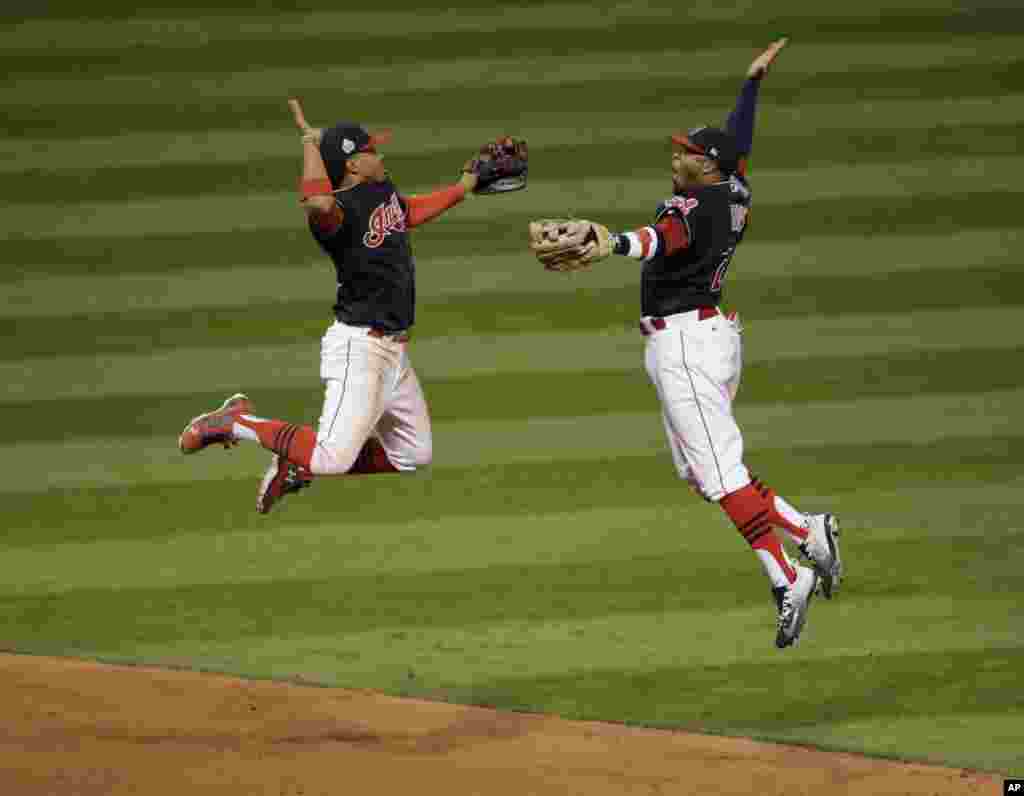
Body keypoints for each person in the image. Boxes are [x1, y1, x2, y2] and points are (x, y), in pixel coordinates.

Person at [529, 40, 842, 649]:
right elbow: (738, 140)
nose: (678, 156)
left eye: (689, 153)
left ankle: (786, 578)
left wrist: (607, 243)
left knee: (720, 475)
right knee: (707, 474)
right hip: (706, 337)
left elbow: (655, 238)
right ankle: (809, 530)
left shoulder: (696, 207)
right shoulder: (734, 190)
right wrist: (751, 84)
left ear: (708, 167)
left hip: (686, 348)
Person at [178, 99, 526, 514]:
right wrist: (311, 144)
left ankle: (297, 465)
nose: (380, 154)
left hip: (393, 352)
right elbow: (316, 203)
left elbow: (406, 212)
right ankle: (234, 421)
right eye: (371, 150)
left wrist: (464, 187)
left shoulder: (381, 190)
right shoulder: (334, 216)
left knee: (413, 455)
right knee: (331, 456)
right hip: (359, 347)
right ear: (354, 165)